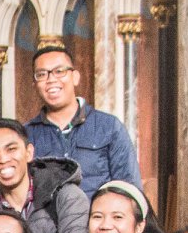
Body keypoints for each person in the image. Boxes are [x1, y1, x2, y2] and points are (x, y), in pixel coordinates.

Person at [23, 42, 139, 197]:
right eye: (42, 74)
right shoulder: (26, 135)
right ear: (34, 84)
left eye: (59, 71)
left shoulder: (109, 127)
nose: (51, 79)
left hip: (97, 220)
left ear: (75, 77)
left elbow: (129, 187)